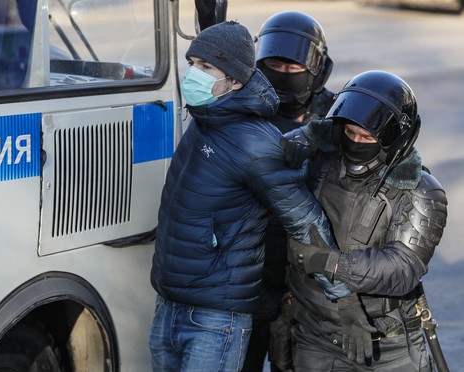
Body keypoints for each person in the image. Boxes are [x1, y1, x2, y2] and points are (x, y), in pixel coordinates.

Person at [148, 20, 345, 372]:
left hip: (214, 317)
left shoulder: (255, 141)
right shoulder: (205, 117)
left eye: (206, 67)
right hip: (171, 303)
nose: (194, 74)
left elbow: (305, 220)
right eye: (193, 63)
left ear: (235, 80)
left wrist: (342, 297)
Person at [284, 70, 448, 371]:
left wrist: (332, 264)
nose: (356, 142)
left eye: (367, 137)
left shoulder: (421, 190)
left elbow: (402, 268)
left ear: (393, 139)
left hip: (388, 344)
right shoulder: (319, 160)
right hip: (315, 334)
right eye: (350, 133)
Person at [242, 11, 335, 372]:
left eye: (293, 66)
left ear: (317, 71)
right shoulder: (242, 111)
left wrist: (320, 136)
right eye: (274, 63)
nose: (282, 72)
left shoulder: (337, 117)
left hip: (304, 287)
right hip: (248, 279)